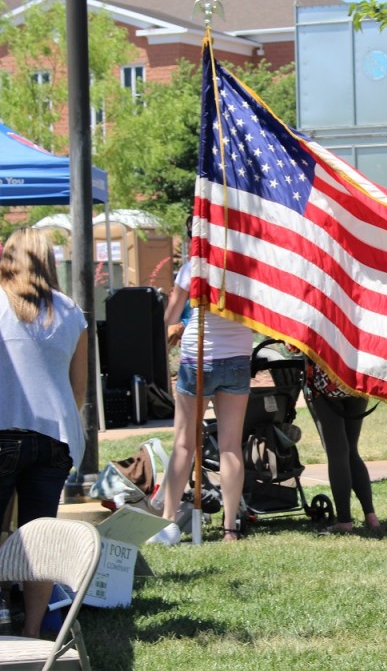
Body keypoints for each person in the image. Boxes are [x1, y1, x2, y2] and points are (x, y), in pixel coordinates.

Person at [0, 229, 87, 637]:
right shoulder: (70, 310)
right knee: (41, 538)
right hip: (56, 437)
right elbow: (79, 389)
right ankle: (34, 630)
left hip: (4, 429)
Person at [149, 221, 253, 545]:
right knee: (230, 446)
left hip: (198, 356)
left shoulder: (194, 267)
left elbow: (170, 316)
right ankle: (230, 527)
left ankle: (167, 522)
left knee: (184, 442)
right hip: (238, 354)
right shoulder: (248, 263)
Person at [303, 359, 380, 534]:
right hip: (357, 377)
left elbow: (294, 346)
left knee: (337, 453)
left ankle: (344, 521)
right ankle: (371, 516)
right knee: (351, 450)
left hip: (324, 383)